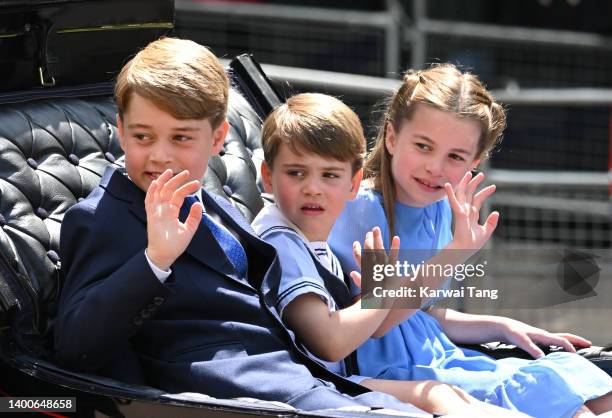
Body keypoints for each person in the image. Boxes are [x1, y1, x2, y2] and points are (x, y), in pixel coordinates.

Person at [53, 37, 430, 414]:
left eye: (181, 137)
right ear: (120, 129)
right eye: (142, 136)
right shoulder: (101, 216)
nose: (159, 155)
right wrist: (155, 259)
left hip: (304, 376)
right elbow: (75, 344)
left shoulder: (211, 202)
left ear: (217, 138)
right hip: (229, 395)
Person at [328, 63, 612, 418]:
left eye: (455, 157)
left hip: (444, 357)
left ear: (474, 162)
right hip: (394, 373)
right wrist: (455, 251)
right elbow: (379, 324)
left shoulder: (442, 210)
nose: (435, 167)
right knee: (548, 390)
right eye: (423, 146)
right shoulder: (363, 211)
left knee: (582, 377)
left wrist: (503, 326)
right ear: (391, 138)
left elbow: (425, 316)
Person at [252, 92, 528, 417]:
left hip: (341, 377)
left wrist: (499, 324)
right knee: (448, 397)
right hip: (327, 385)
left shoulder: (309, 236)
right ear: (268, 177)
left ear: (351, 183)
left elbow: (409, 314)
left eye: (329, 175)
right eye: (296, 173)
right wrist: (382, 292)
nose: (313, 188)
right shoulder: (281, 240)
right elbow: (330, 342)